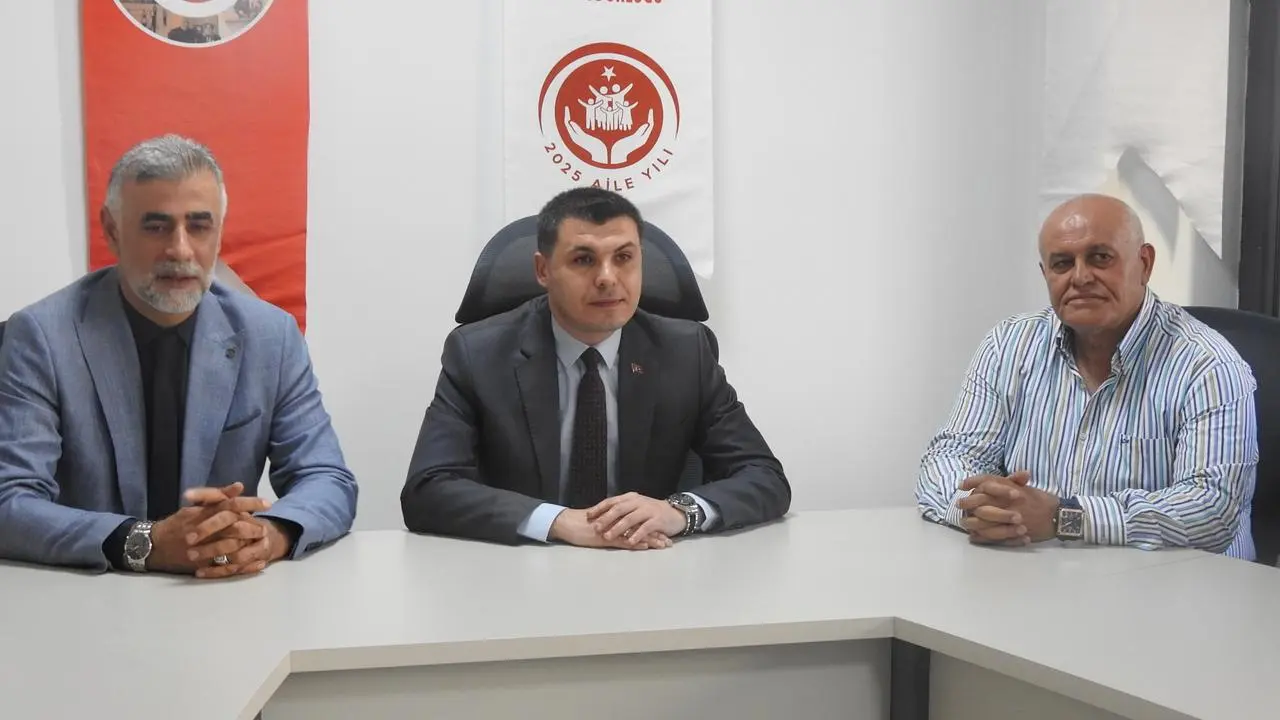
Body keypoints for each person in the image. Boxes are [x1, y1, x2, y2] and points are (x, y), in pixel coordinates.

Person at [0, 134, 357, 577]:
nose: (181, 250)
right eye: (156, 226)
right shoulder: (41, 337)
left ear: (220, 231)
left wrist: (266, 536)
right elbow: (9, 501)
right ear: (112, 230)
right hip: (89, 594)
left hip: (221, 594)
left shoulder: (271, 336)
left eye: (200, 226)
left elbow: (328, 479)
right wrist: (144, 542)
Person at [402, 187, 789, 548]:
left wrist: (678, 512)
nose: (607, 278)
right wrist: (558, 521)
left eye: (624, 258)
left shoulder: (686, 353)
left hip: (649, 567)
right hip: (522, 571)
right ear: (543, 270)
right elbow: (427, 489)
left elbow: (764, 476)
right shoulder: (478, 354)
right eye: (584, 260)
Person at [916, 193, 1258, 558]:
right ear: (1045, 275)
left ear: (1144, 264)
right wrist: (982, 511)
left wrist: (1065, 517)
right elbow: (947, 458)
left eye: (1100, 257)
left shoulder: (1208, 365)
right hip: (1043, 572)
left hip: (1181, 582)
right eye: (1062, 263)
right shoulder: (1009, 345)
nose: (1080, 277)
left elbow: (1211, 510)